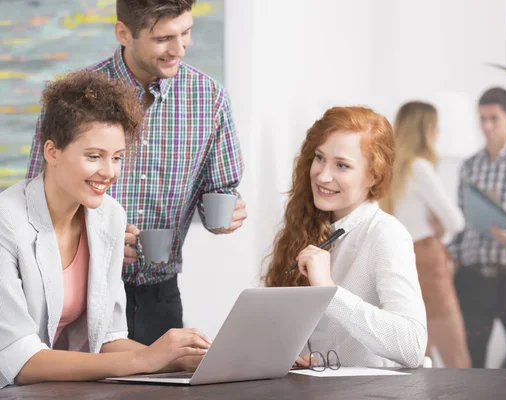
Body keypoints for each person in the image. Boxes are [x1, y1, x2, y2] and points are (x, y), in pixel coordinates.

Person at [26, 0, 247, 346]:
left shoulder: (209, 99)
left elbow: (220, 191)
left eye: (186, 32)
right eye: (163, 38)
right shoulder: (75, 100)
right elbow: (39, 198)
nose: (179, 48)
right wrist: (98, 238)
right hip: (80, 292)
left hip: (159, 296)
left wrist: (227, 213)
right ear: (124, 33)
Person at [0, 71, 210, 389]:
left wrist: (182, 359)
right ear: (51, 152)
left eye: (117, 158)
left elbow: (108, 339)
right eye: (94, 156)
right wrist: (146, 360)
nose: (109, 172)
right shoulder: (7, 221)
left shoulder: (109, 217)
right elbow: (20, 360)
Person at [264, 106, 427, 369]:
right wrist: (286, 352)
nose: (323, 175)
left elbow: (412, 346)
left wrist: (330, 290)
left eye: (342, 165)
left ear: (373, 175)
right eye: (319, 158)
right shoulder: (307, 224)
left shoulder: (386, 233)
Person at [380, 101, 470, 368]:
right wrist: (439, 227)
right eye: (435, 127)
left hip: (399, 259)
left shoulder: (389, 169)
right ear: (426, 130)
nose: (439, 133)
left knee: (417, 353)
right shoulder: (419, 167)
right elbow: (457, 221)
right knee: (456, 354)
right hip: (428, 261)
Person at [448, 87, 506, 368]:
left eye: (494, 118)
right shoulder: (470, 166)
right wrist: (450, 254)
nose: (486, 126)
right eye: (482, 119)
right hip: (474, 277)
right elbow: (461, 222)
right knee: (472, 359)